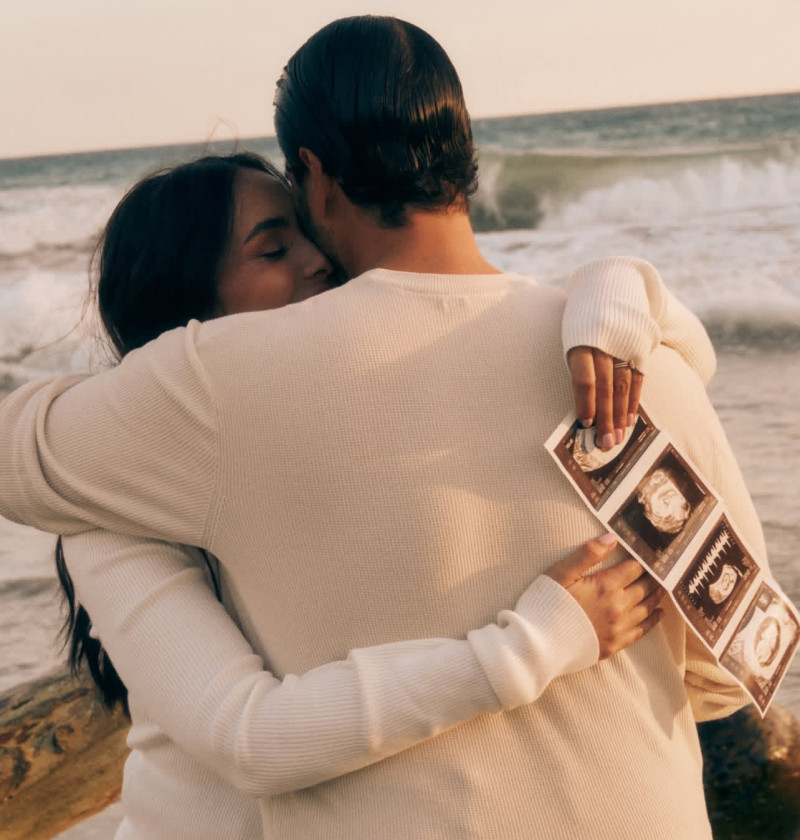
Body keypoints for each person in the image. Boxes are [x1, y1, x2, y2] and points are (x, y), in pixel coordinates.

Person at [0, 16, 767, 839]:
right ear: (467, 157)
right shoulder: (640, 369)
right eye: (271, 246)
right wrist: (633, 291)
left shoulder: (218, 391)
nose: (312, 264)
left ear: (316, 177)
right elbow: (731, 670)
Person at [48, 150, 679, 839]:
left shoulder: (330, 434)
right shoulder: (112, 509)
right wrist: (535, 645)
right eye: (274, 250)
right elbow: (248, 738)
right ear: (187, 313)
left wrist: (616, 289)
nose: (319, 261)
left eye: (310, 235)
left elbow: (688, 369)